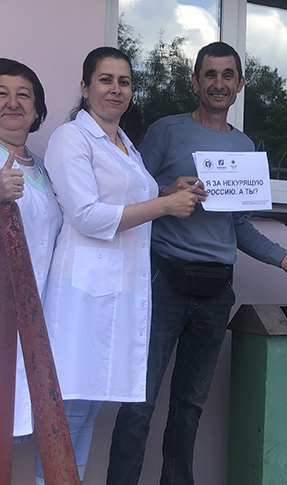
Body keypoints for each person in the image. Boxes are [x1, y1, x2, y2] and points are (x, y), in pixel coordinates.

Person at [106, 41, 287, 485]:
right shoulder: (166, 131)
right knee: (138, 399)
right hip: (163, 280)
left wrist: (283, 257)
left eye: (227, 75)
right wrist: (167, 192)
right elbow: (130, 193)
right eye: (210, 74)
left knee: (190, 405)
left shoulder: (244, 146)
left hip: (216, 291)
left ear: (240, 84)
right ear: (195, 81)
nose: (218, 83)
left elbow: (238, 224)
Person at [36, 47, 197, 484]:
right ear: (85, 87)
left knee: (87, 411)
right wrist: (164, 206)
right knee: (66, 413)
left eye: (124, 81)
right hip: (81, 293)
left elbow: (125, 196)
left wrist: (166, 190)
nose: (116, 89)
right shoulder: (71, 137)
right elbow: (87, 214)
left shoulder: (124, 143)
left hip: (117, 292)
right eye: (105, 80)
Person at [0, 58, 62, 442]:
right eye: (2, 94)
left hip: (34, 314)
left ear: (37, 110)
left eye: (23, 95)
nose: (13, 102)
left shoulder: (43, 168)